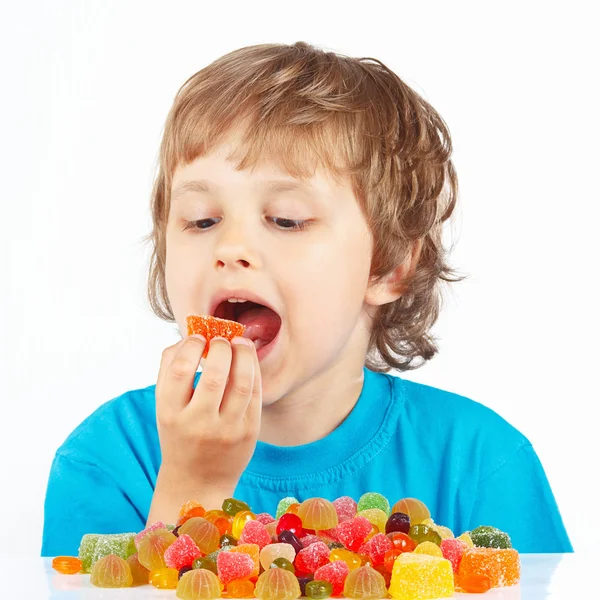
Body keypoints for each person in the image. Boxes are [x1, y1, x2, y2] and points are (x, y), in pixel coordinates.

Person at [41, 41, 572, 557]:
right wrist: (193, 483)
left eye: (287, 220)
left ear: (387, 264)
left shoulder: (482, 464)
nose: (231, 248)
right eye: (202, 220)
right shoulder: (107, 460)